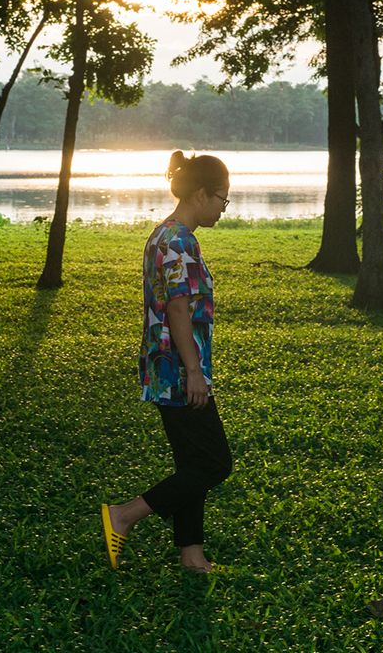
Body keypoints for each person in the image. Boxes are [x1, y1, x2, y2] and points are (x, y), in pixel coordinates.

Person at [101, 150, 233, 574]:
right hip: (178, 372)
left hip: (163, 368)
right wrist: (195, 372)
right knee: (214, 464)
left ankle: (192, 555)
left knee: (192, 465)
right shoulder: (180, 241)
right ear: (200, 193)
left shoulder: (163, 233)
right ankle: (124, 515)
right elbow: (179, 309)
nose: (223, 209)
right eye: (222, 199)